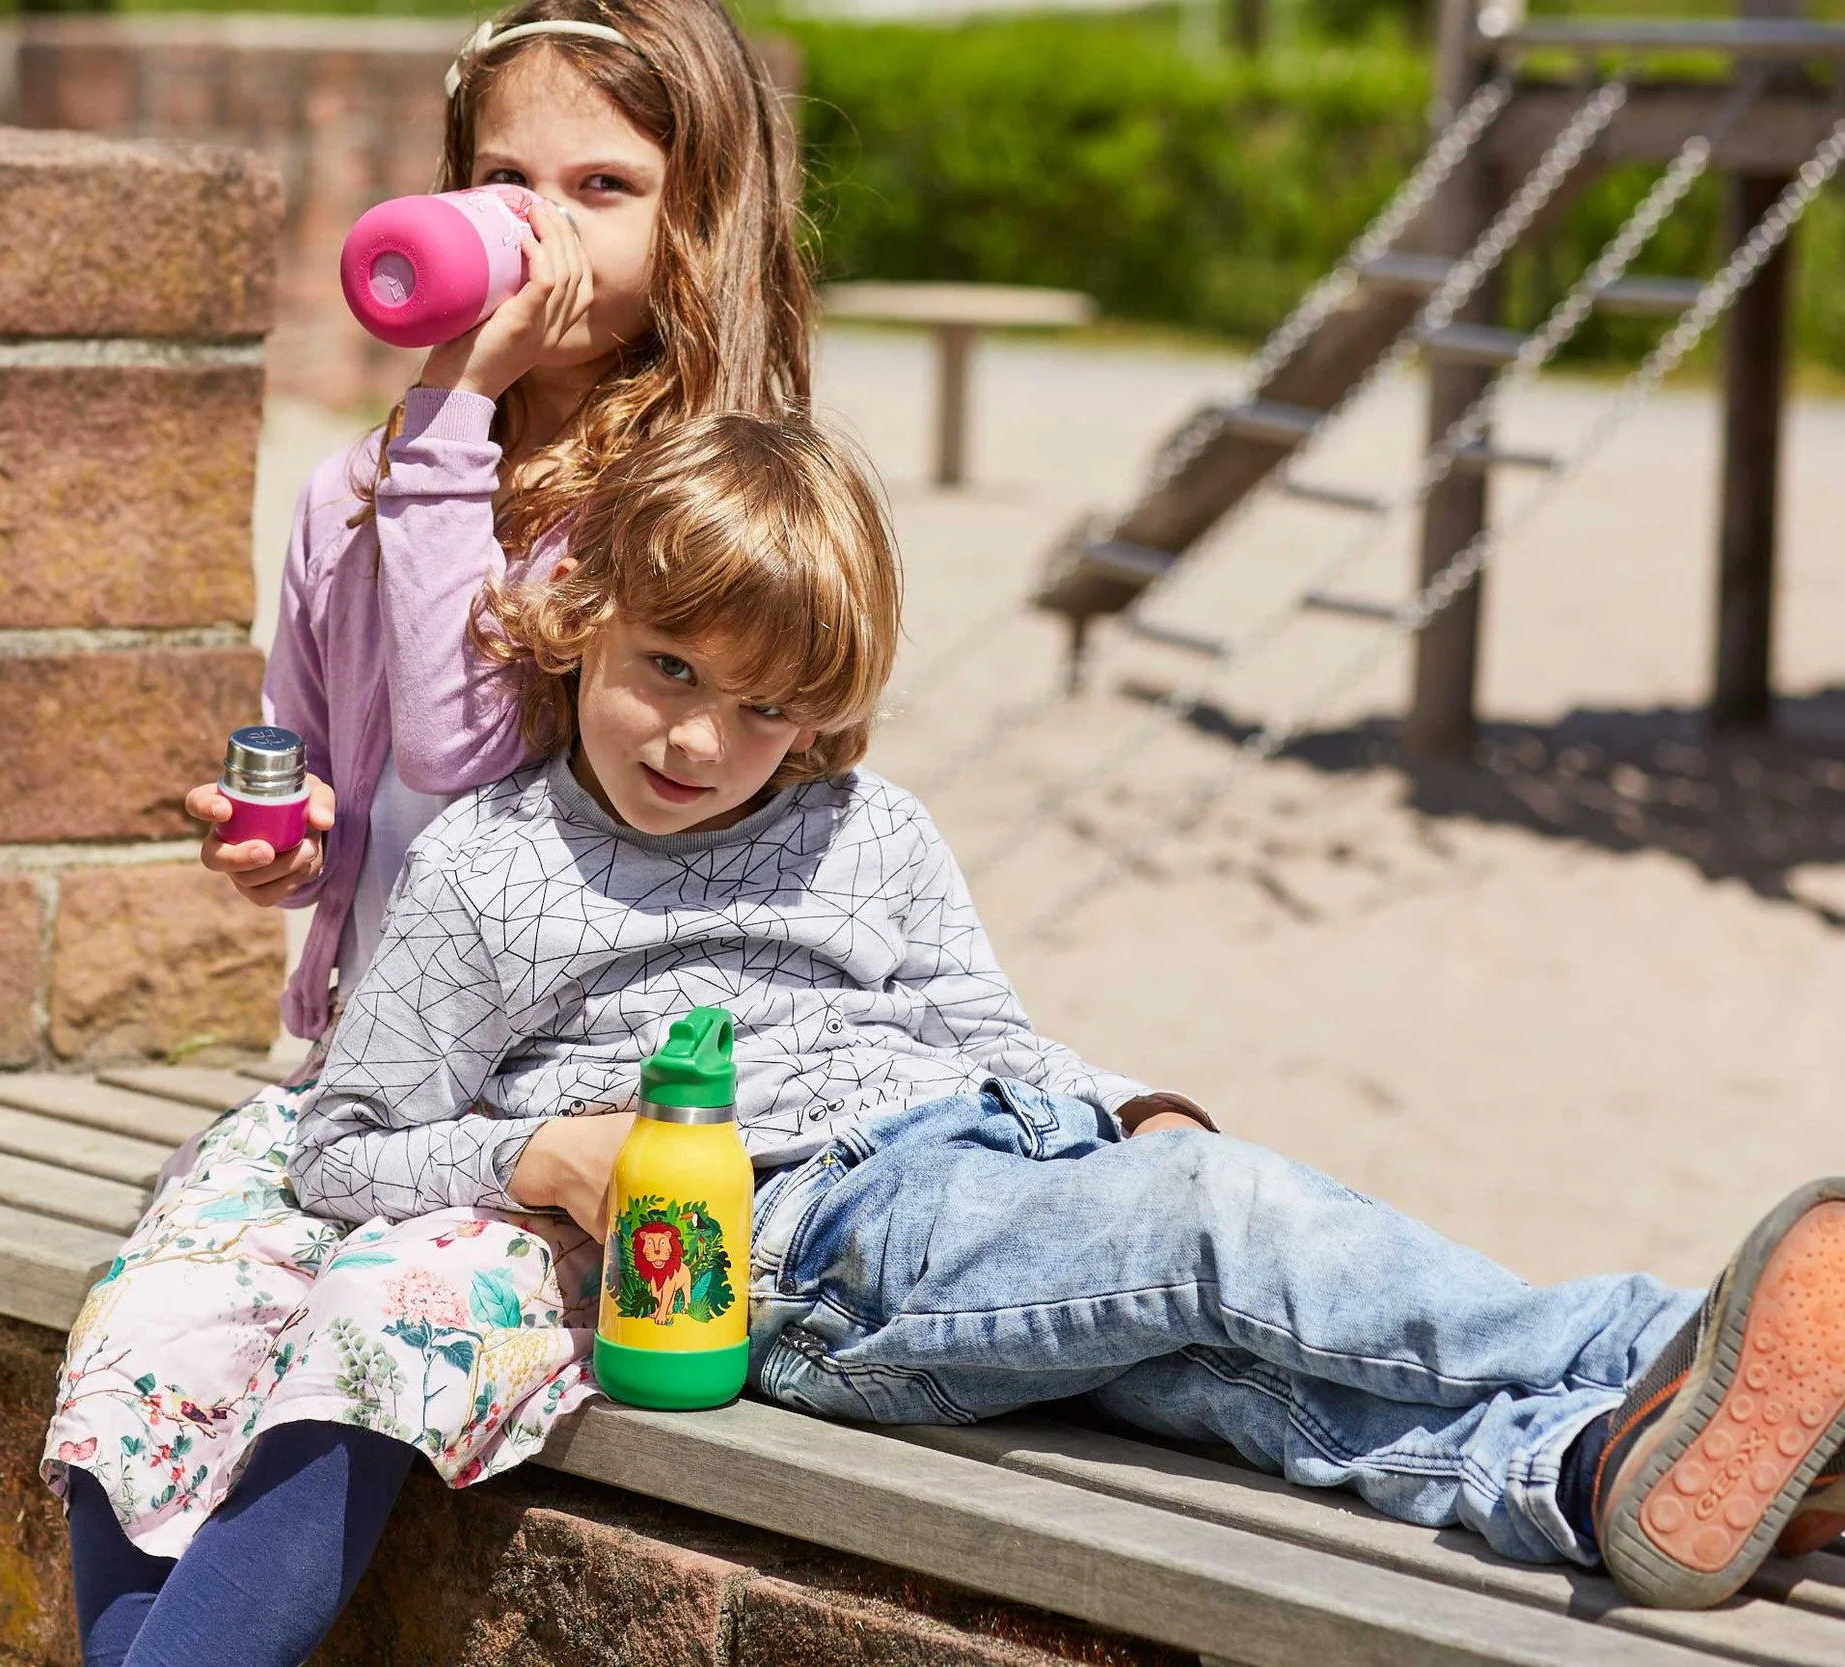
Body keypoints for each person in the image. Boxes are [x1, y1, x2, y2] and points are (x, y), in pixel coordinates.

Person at [286, 411, 1845, 1626]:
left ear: (822, 708)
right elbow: (340, 1146)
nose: (700, 737)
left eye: (766, 708)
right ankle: (1666, 1341)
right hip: (807, 1245)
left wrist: (1125, 1097)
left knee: (1226, 1376)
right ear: (586, 618)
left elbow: (992, 1035)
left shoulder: (866, 828)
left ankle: (1587, 1475)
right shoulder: (495, 865)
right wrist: (544, 1151)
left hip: (987, 1163)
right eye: (666, 669)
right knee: (1215, 1226)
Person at [42, 3, 815, 1662]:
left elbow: (478, 773)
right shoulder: (352, 494)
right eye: (502, 177)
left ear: (699, 225)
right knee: (153, 1328)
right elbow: (348, 779)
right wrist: (292, 845)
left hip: (554, 1115)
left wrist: (454, 413)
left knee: (364, 1346)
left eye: (602, 188)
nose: (538, 228)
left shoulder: (692, 526)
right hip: (361, 1082)